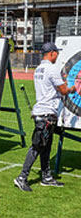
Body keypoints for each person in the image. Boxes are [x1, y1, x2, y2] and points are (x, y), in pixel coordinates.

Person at [14, 42, 73, 192]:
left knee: (45, 147)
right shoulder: (51, 69)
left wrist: (63, 82)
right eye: (56, 53)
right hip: (46, 114)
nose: (58, 55)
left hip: (44, 113)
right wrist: (72, 88)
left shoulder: (39, 69)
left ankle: (46, 177)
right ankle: (22, 177)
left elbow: (54, 88)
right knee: (37, 146)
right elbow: (64, 90)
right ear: (52, 53)